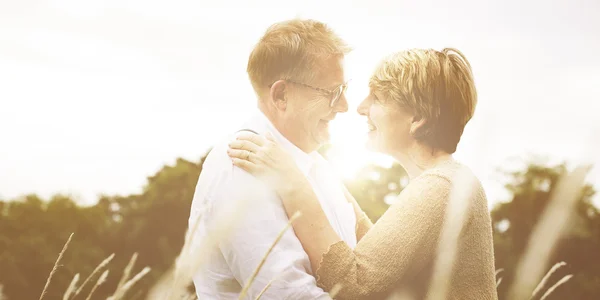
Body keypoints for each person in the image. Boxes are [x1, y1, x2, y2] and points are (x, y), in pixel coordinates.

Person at [228, 48, 499, 299]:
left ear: (417, 119)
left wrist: (292, 182)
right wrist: (318, 171)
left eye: (377, 98)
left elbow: (354, 284)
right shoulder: (447, 181)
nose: (361, 107)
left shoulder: (441, 187)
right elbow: (382, 259)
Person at [188, 19, 359, 299]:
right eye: (332, 93)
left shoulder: (316, 165)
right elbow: (288, 294)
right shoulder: (242, 166)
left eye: (344, 89)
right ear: (281, 95)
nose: (344, 106)